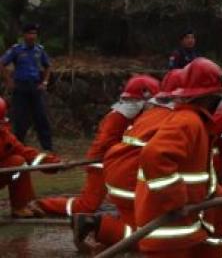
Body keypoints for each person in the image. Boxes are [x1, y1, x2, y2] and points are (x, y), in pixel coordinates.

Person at [135, 58, 222, 257]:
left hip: (176, 225)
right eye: (219, 95)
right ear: (208, 96)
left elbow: (197, 172)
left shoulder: (196, 122)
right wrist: (177, 200)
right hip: (167, 228)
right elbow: (154, 156)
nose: (221, 101)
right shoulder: (187, 121)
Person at [73, 70, 179, 252]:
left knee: (133, 222)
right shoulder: (124, 116)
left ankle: (103, 230)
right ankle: (91, 223)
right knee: (156, 239)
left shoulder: (143, 115)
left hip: (119, 171)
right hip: (114, 170)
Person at [35, 75, 160, 218]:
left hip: (118, 162)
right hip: (100, 162)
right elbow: (104, 145)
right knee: (86, 206)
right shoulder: (118, 117)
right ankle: (42, 205)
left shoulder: (139, 116)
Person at [0, 95, 60, 218]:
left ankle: (21, 205)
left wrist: (53, 163)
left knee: (18, 163)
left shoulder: (4, 135)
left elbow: (25, 153)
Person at [1, 23, 54, 151]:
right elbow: (2, 63)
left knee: (41, 117)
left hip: (35, 87)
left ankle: (47, 148)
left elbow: (48, 66)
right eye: (29, 33)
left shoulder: (39, 50)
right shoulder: (17, 49)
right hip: (20, 87)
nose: (32, 36)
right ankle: (19, 147)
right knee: (20, 119)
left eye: (34, 33)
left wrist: (45, 82)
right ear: (24, 35)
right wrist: (9, 80)